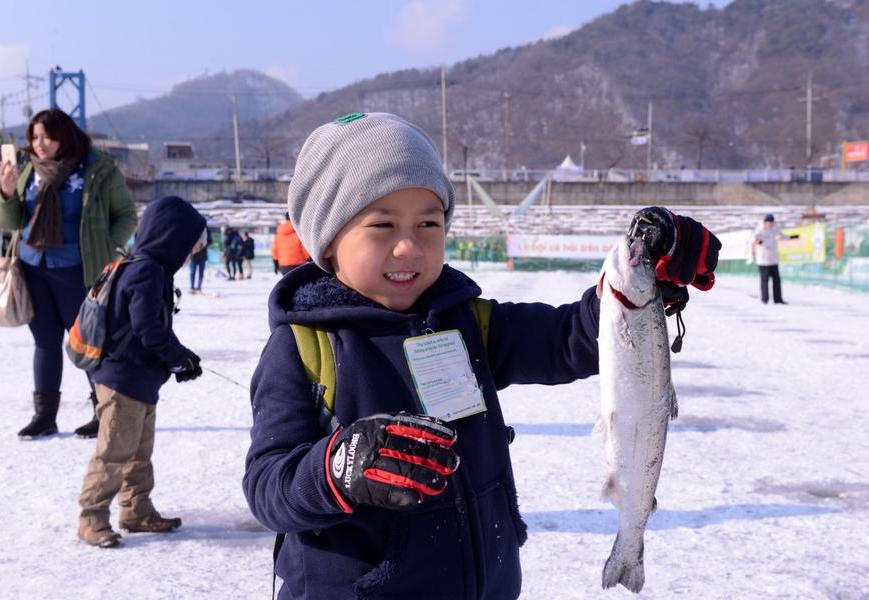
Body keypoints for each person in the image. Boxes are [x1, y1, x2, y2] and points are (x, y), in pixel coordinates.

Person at [242, 112, 721, 599]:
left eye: (428, 223)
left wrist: (644, 278)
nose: (409, 246)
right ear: (327, 241)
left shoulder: (467, 321)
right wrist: (335, 468)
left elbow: (568, 338)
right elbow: (266, 487)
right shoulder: (303, 347)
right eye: (382, 225)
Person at [0, 108, 138, 440]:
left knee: (89, 343)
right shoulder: (28, 170)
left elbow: (126, 216)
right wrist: (5, 192)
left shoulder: (97, 169)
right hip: (34, 268)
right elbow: (11, 222)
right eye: (34, 137)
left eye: (46, 136)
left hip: (79, 269)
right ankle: (44, 416)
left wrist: (105, 247)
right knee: (45, 342)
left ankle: (103, 414)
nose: (39, 143)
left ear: (65, 135)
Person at [78, 195, 206, 548]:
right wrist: (178, 358)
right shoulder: (146, 270)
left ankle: (136, 509)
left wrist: (181, 358)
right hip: (122, 381)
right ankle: (92, 518)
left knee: (138, 452)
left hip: (139, 380)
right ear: (171, 237)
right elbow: (149, 329)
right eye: (190, 242)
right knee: (115, 452)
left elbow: (152, 329)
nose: (193, 250)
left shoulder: (150, 268)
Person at [753, 213, 796, 304]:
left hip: (773, 259)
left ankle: (778, 299)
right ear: (765, 222)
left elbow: (783, 236)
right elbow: (754, 239)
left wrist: (793, 237)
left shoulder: (775, 229)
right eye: (769, 223)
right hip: (763, 260)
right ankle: (764, 299)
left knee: (776, 280)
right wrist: (759, 242)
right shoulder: (759, 229)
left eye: (772, 223)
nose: (771, 224)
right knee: (764, 280)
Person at [189, 229, 210, 294]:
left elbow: (210, 241)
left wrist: (203, 243)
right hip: (194, 255)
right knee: (192, 272)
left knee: (200, 273)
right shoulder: (193, 228)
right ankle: (192, 287)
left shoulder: (206, 230)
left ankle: (199, 287)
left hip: (202, 256)